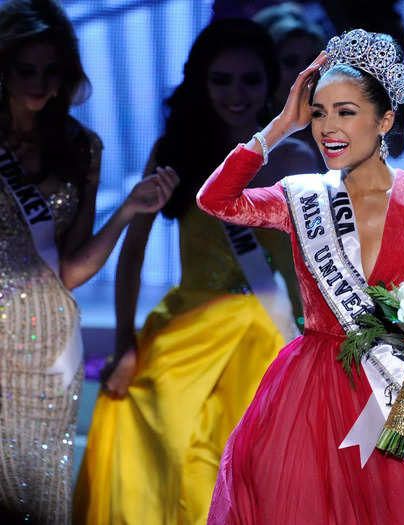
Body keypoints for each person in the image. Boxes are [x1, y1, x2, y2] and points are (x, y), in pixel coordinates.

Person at [198, 30, 404, 524]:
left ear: (385, 119)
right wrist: (280, 126)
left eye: (345, 112)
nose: (327, 126)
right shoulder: (299, 196)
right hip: (310, 393)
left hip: (399, 392)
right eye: (320, 112)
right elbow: (215, 200)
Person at [73, 18, 317, 525]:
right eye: (220, 80)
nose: (236, 94)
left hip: (269, 333)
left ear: (271, 82)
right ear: (200, 83)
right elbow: (134, 252)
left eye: (249, 80)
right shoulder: (177, 151)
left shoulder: (296, 157)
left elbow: (316, 267)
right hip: (189, 325)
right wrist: (124, 344)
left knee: (245, 462)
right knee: (137, 415)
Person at [0, 0, 178, 523]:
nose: (39, 83)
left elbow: (71, 269)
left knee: (41, 496)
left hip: (50, 341)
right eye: (26, 70)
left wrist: (127, 212)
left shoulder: (82, 147)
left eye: (52, 71)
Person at [253, 2, 327, 170]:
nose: (304, 73)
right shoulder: (245, 138)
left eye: (312, 62)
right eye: (290, 62)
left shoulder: (336, 132)